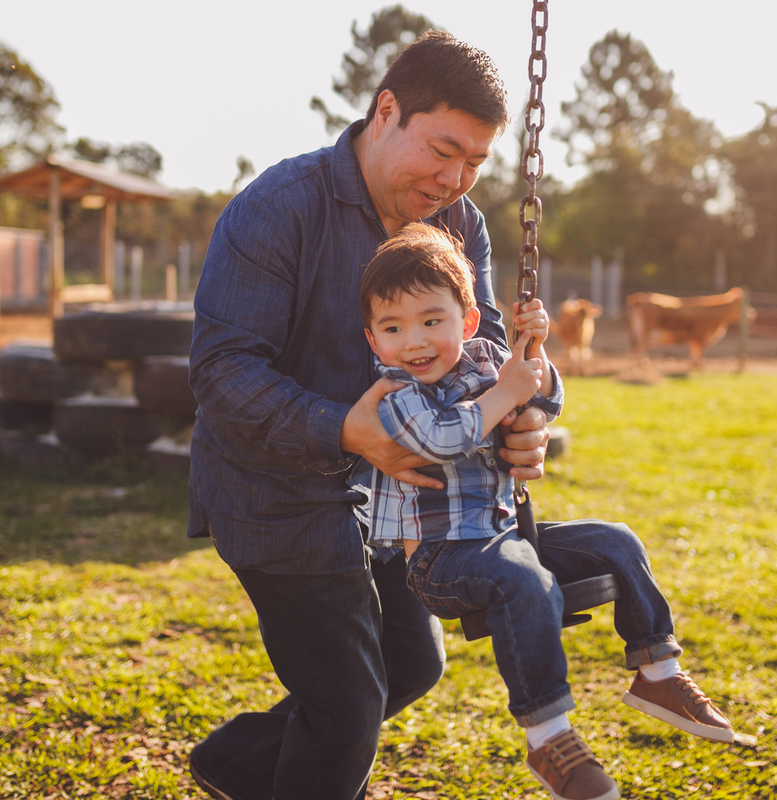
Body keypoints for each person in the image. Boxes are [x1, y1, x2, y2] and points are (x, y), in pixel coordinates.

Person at [185, 31, 550, 800]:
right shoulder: (280, 209)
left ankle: (236, 765)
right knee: (349, 710)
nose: (455, 179)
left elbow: (480, 349)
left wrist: (519, 417)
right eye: (444, 150)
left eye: (476, 163)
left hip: (395, 492)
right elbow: (222, 372)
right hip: (274, 488)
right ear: (387, 111)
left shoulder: (461, 226)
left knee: (413, 664)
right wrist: (343, 429)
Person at [352, 224, 736, 800]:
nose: (415, 341)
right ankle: (549, 736)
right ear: (374, 340)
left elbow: (545, 399)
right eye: (393, 328)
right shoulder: (395, 394)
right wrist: (504, 393)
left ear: (469, 321)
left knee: (616, 540)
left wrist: (535, 354)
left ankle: (657, 671)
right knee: (521, 576)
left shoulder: (486, 361)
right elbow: (440, 438)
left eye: (432, 320)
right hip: (440, 561)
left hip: (504, 534)